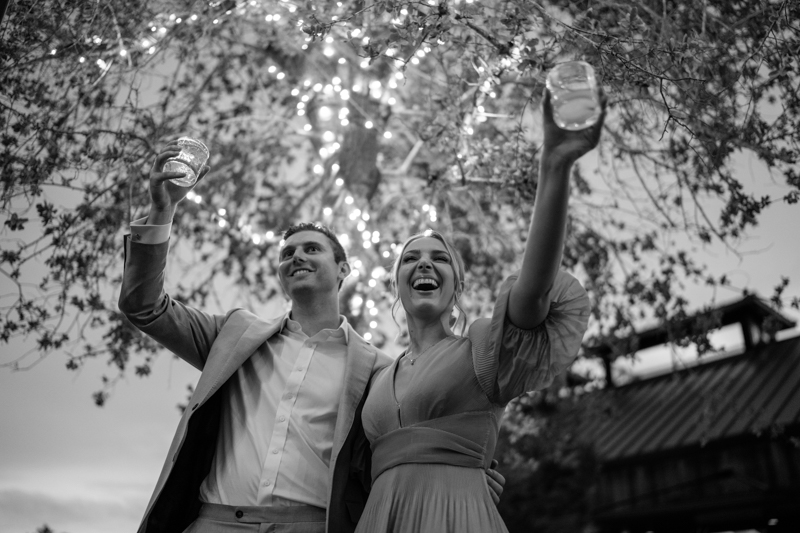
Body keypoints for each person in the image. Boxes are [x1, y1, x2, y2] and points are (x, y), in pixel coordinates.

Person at [119, 141, 504, 533]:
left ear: (343, 269)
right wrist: (162, 209)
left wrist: (465, 472)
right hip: (215, 522)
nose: (295, 257)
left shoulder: (378, 372)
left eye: (311, 249)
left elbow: (409, 441)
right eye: (287, 254)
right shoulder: (232, 336)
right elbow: (144, 307)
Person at [353, 87, 605, 532]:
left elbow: (532, 293)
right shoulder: (374, 376)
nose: (424, 263)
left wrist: (555, 165)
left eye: (440, 257)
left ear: (458, 287)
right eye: (410, 258)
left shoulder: (481, 347)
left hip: (456, 516)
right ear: (397, 284)